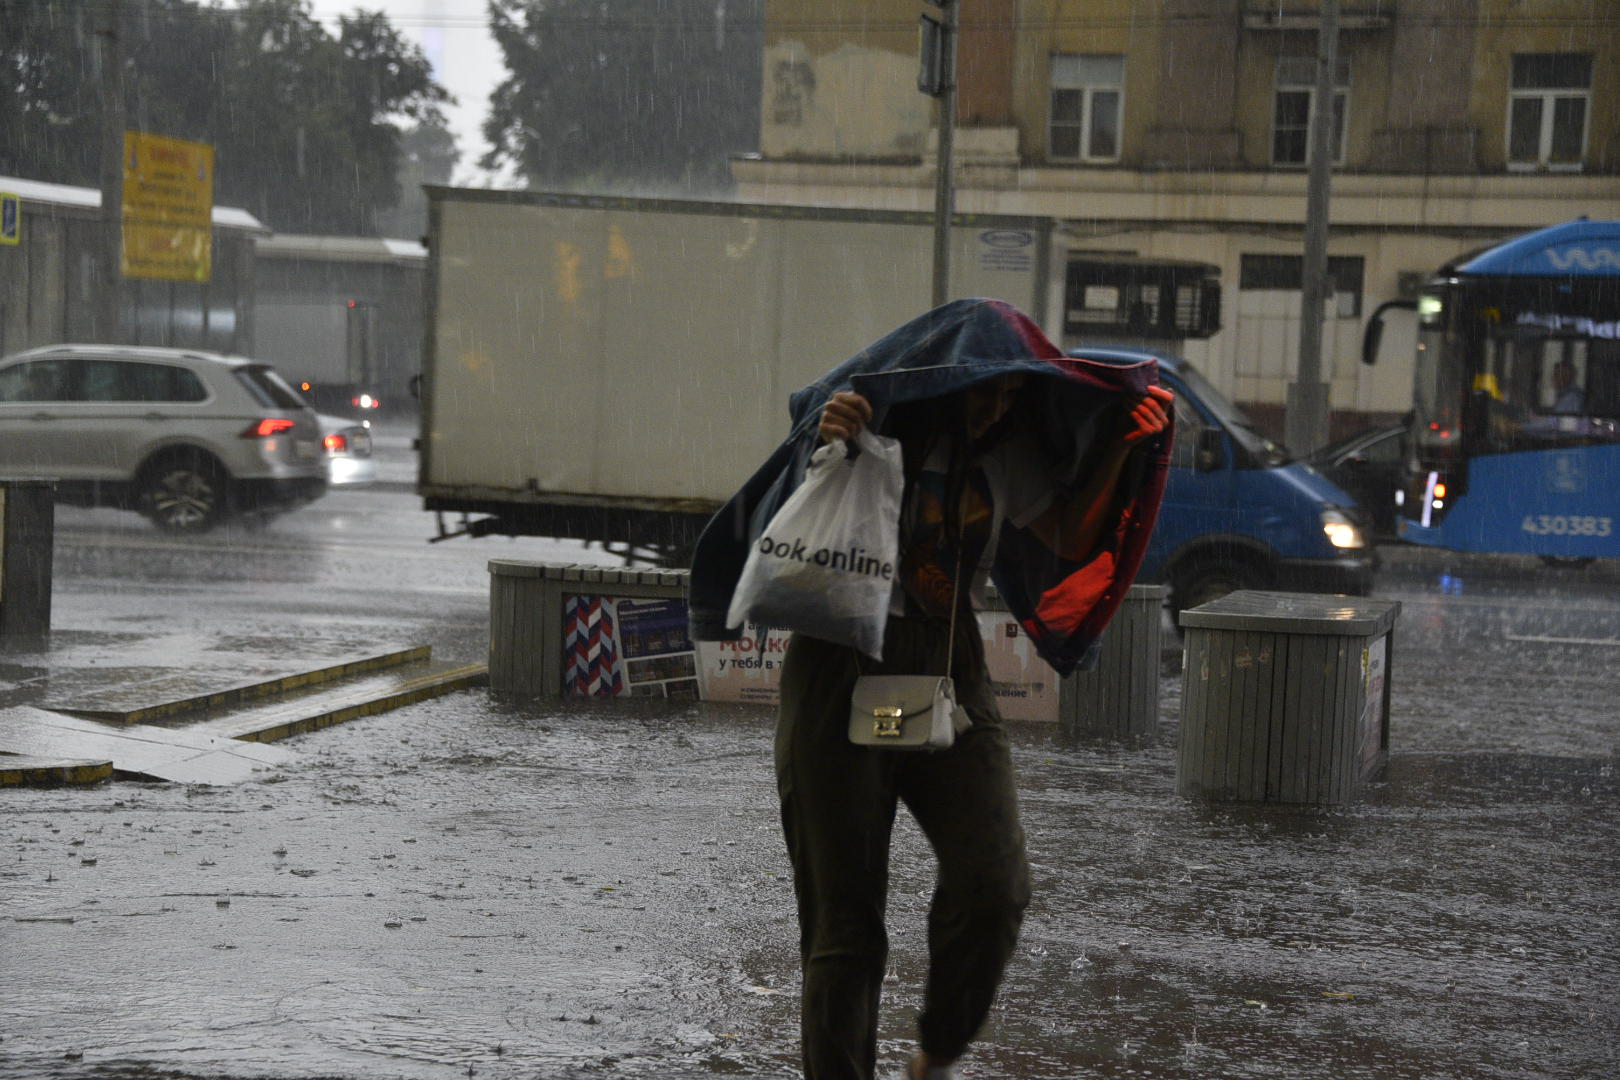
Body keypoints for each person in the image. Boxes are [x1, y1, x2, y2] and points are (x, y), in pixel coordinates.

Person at [775, 373, 1172, 1080]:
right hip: (839, 667)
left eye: (1010, 397)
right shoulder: (870, 429)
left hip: (946, 665)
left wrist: (1119, 449)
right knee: (845, 930)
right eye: (981, 392)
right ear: (947, 382)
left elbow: (1071, 533)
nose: (993, 409)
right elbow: (788, 506)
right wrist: (826, 434)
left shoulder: (1005, 453)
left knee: (994, 887)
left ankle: (935, 1057)